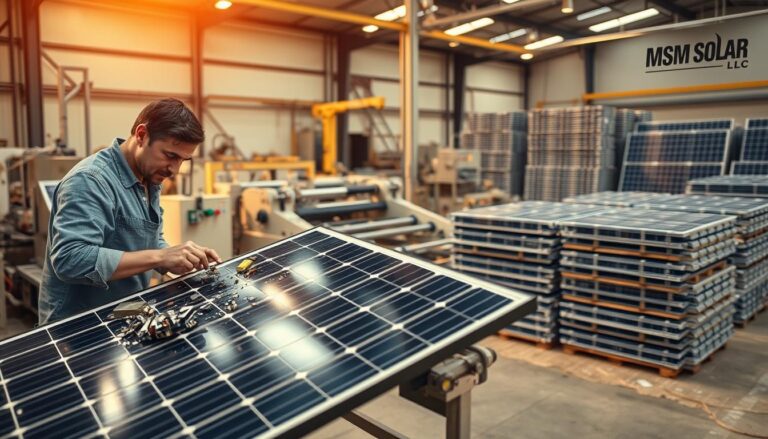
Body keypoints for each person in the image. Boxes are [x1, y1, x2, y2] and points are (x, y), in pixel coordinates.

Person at [39, 98, 221, 324]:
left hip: (122, 312)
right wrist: (159, 257)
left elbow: (147, 240)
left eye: (183, 160)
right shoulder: (90, 180)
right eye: (170, 155)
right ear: (142, 135)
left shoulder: (149, 178)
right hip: (79, 326)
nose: (175, 169)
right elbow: (70, 259)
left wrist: (176, 257)